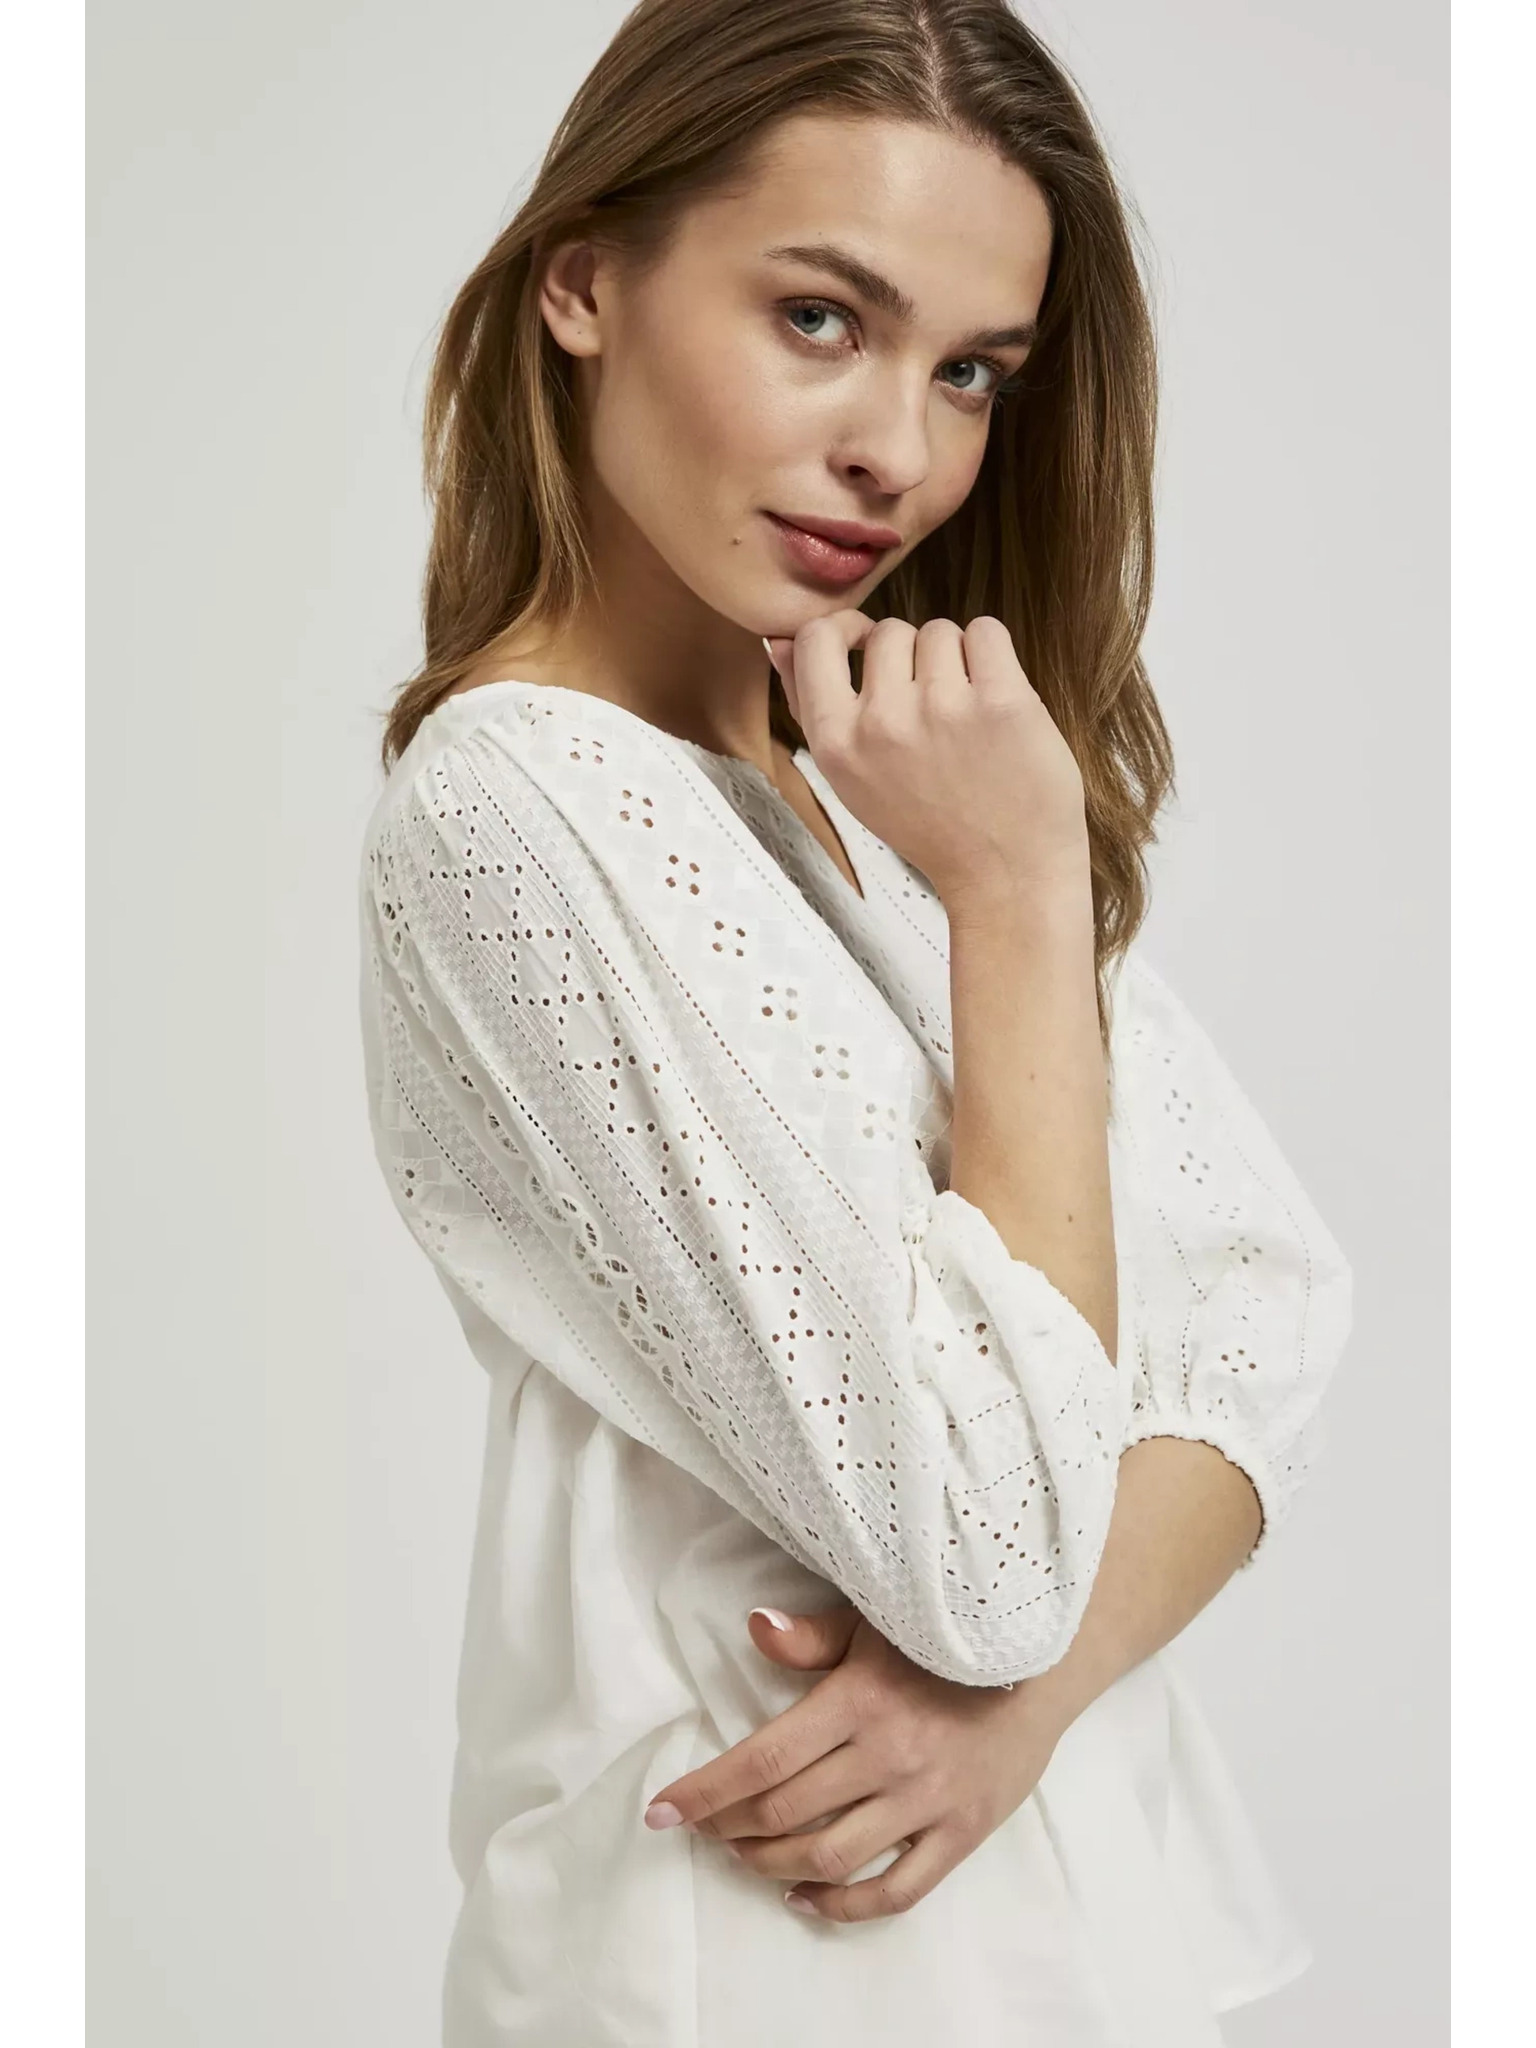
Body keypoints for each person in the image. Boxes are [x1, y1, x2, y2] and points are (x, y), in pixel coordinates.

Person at [357, 2, 1353, 2042]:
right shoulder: (518, 804)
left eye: (972, 370)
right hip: (751, 1959)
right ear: (582, 280)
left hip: (1063, 1948)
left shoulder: (891, 787)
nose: (903, 448)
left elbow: (1270, 1315)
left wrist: (1017, 1708)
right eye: (821, 318)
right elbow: (991, 1550)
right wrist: (1020, 897)